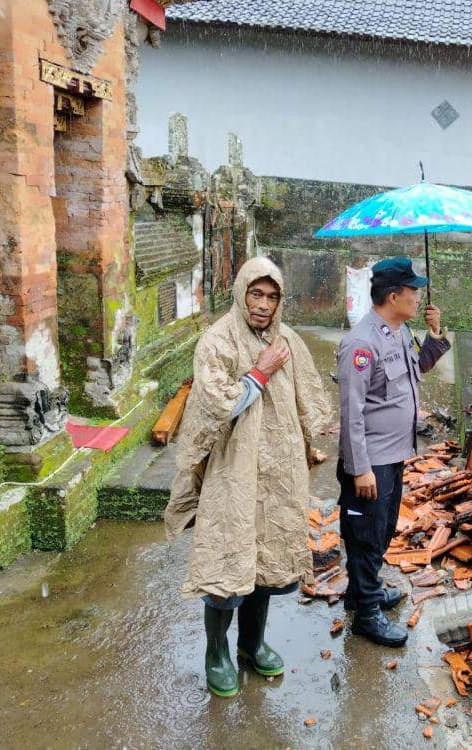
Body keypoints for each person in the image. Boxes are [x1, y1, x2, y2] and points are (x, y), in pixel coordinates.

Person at [165, 257, 331, 698]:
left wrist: (308, 438)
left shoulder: (287, 339)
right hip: (233, 472)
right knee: (227, 562)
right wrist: (260, 371)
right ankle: (216, 653)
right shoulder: (217, 341)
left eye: (272, 296)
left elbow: (305, 395)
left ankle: (251, 644)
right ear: (241, 293)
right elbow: (217, 407)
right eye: (256, 294)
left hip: (278, 470)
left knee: (266, 563)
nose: (263, 304)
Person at [337, 257, 451, 647]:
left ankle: (360, 591)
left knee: (382, 529)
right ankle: (366, 614)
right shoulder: (361, 344)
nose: (418, 298)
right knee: (365, 535)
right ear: (392, 296)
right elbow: (351, 413)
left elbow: (416, 371)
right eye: (412, 291)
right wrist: (359, 469)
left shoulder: (398, 332)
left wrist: (435, 334)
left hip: (393, 453)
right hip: (370, 461)